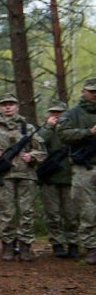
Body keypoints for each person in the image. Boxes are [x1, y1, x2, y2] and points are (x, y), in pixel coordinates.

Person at [0, 94, 46, 262]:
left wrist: (32, 156)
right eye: (4, 104)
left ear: (17, 106)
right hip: (3, 177)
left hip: (26, 175)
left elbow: (42, 151)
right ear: (0, 107)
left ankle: (26, 246)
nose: (8, 107)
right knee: (6, 212)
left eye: (11, 104)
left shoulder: (28, 128)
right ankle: (8, 245)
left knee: (27, 211)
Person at [56, 78, 96, 265]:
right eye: (91, 91)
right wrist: (89, 133)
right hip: (83, 168)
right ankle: (91, 248)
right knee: (87, 210)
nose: (95, 94)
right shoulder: (72, 113)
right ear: (83, 92)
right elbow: (63, 134)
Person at [38, 101, 77, 258]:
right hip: (50, 178)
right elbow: (38, 143)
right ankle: (57, 243)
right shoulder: (44, 130)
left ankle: (73, 243)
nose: (56, 115)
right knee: (52, 213)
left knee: (72, 214)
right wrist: (49, 127)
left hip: (69, 176)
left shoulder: (71, 129)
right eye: (53, 112)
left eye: (59, 112)